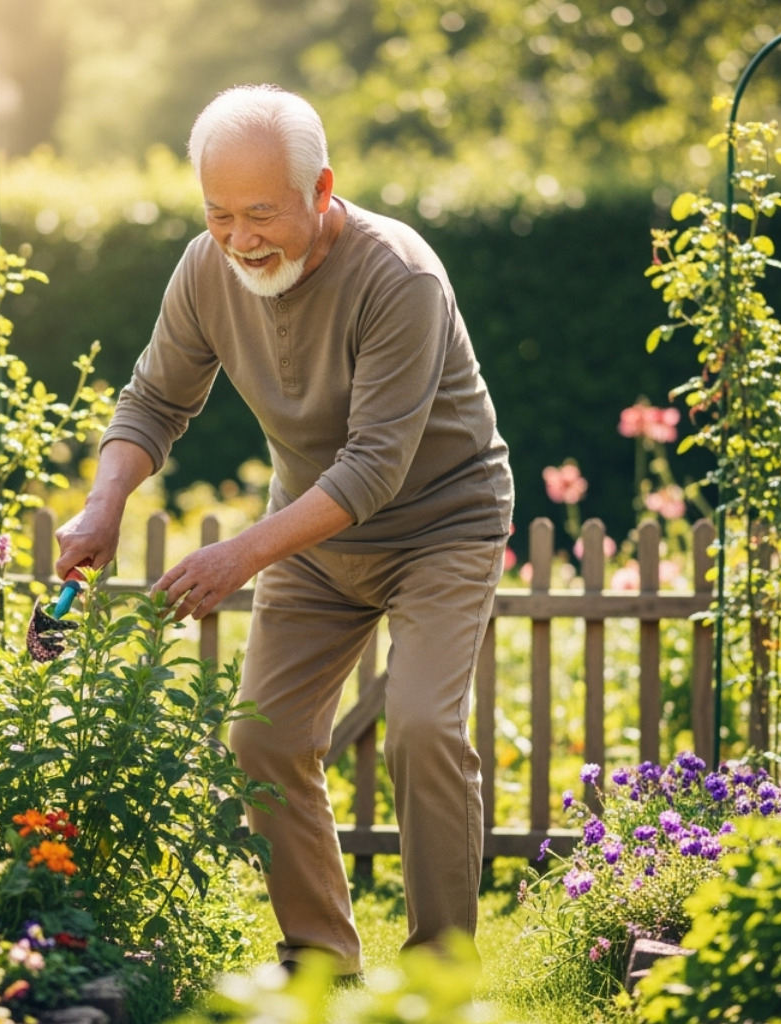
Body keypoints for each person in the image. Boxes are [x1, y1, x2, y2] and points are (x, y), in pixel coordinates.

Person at [53, 84, 513, 977]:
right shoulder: (205, 268)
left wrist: (239, 554)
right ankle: (321, 962)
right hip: (316, 529)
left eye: (261, 213)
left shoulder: (399, 277)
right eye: (218, 214)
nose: (239, 238)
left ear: (322, 189)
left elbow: (376, 467)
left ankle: (440, 975)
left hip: (441, 525)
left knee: (421, 724)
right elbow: (153, 400)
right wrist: (105, 502)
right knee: (263, 737)